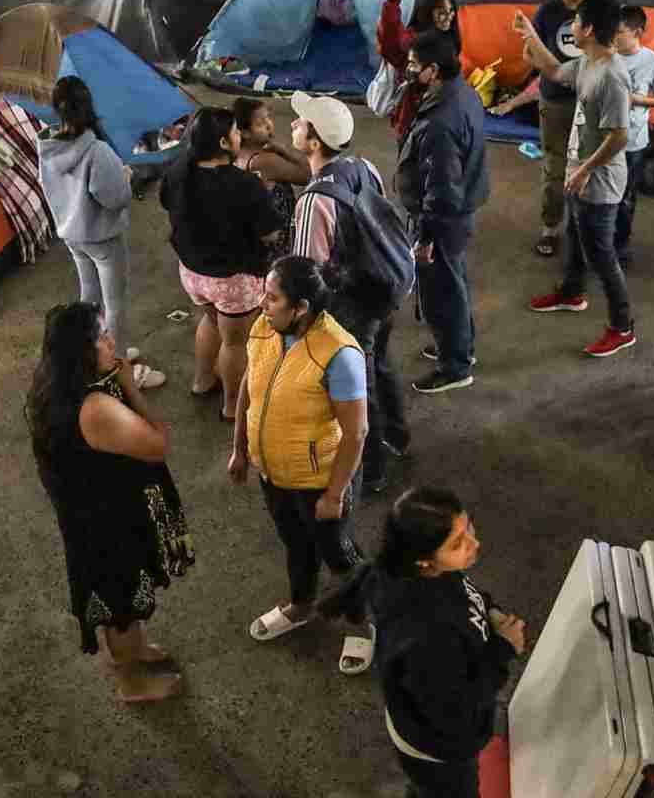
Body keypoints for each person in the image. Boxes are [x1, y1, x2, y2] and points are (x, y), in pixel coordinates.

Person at [28, 302, 194, 703]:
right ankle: (132, 683)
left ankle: (137, 651)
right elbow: (158, 444)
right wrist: (132, 386)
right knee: (119, 606)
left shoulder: (54, 383)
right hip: (107, 525)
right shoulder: (95, 407)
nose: (111, 341)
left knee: (127, 600)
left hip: (95, 512)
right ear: (82, 351)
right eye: (102, 336)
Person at [318, 486, 526, 798]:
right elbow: (455, 707)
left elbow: (465, 593)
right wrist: (503, 648)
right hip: (437, 748)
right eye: (458, 543)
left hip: (417, 719)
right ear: (424, 562)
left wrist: (490, 611)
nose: (475, 543)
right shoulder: (426, 636)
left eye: (469, 527)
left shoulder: (416, 569)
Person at [228, 256, 374, 674]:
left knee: (340, 554)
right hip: (275, 473)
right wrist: (239, 447)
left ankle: (363, 624)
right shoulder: (267, 328)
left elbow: (357, 432)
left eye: (272, 298)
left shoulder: (338, 354)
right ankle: (301, 604)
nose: (262, 304)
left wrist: (334, 493)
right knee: (295, 542)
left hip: (320, 480)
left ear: (302, 308)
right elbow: (249, 384)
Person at [288, 91, 411, 492]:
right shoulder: (363, 166)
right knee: (381, 364)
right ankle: (397, 436)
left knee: (358, 387)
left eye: (300, 123)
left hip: (352, 304)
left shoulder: (313, 202)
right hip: (384, 286)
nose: (293, 124)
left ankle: (372, 469)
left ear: (314, 141)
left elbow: (307, 272)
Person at [517, 0, 638, 359]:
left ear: (587, 28)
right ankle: (571, 293)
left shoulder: (613, 76)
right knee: (576, 235)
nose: (570, 27)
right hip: (579, 173)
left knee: (601, 254)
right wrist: (529, 34)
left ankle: (623, 326)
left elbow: (619, 136)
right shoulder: (587, 62)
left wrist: (585, 170)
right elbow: (553, 71)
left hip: (599, 181)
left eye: (575, 22)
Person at [159, 106, 284, 420]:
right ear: (224, 143)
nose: (240, 135)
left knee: (211, 320)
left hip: (192, 272)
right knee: (236, 342)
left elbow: (165, 203)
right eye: (235, 132)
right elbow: (270, 235)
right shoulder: (245, 184)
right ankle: (232, 406)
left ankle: (202, 381)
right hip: (232, 280)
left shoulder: (178, 171)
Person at [40, 76, 164, 390]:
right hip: (103, 238)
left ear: (57, 110)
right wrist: (124, 176)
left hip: (72, 235)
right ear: (89, 106)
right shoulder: (97, 151)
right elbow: (116, 198)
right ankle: (119, 368)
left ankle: (92, 356)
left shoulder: (47, 147)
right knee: (115, 303)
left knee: (89, 297)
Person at [396, 31, 490, 394]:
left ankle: (455, 366)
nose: (408, 70)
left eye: (413, 66)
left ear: (432, 70)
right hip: (462, 207)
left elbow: (440, 186)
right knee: (456, 280)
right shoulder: (462, 92)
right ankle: (459, 346)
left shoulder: (440, 121)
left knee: (442, 291)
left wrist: (425, 236)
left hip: (444, 216)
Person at [488, 0, 595, 258]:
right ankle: (550, 227)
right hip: (555, 103)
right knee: (554, 166)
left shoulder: (602, 11)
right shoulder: (547, 13)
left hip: (590, 104)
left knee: (591, 167)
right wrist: (532, 46)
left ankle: (587, 232)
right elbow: (529, 57)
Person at [608, 5, 654, 263]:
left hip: (634, 142)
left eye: (621, 32)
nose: (615, 37)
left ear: (638, 32)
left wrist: (635, 99)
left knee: (626, 198)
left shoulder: (653, 61)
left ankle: (620, 245)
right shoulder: (607, 56)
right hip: (605, 139)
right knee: (602, 195)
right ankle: (599, 243)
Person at [377, 0, 461, 143]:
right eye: (442, 12)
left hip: (444, 119)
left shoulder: (449, 36)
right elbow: (391, 42)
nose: (449, 17)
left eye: (451, 11)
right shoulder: (412, 42)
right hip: (414, 123)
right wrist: (393, 2)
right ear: (427, 12)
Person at [234, 96, 311, 261]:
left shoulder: (238, 155)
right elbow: (308, 175)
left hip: (255, 232)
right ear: (245, 132)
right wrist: (284, 149)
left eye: (268, 117)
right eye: (261, 123)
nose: (269, 125)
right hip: (276, 237)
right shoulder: (264, 161)